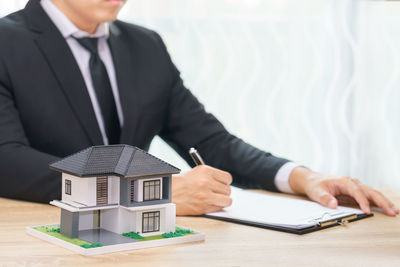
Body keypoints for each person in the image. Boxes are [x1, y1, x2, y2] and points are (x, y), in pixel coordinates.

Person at [0, 0, 398, 217]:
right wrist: (147, 193)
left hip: (143, 244)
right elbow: (8, 162)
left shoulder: (145, 45)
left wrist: (303, 178)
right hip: (46, 239)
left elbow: (211, 141)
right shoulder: (6, 42)